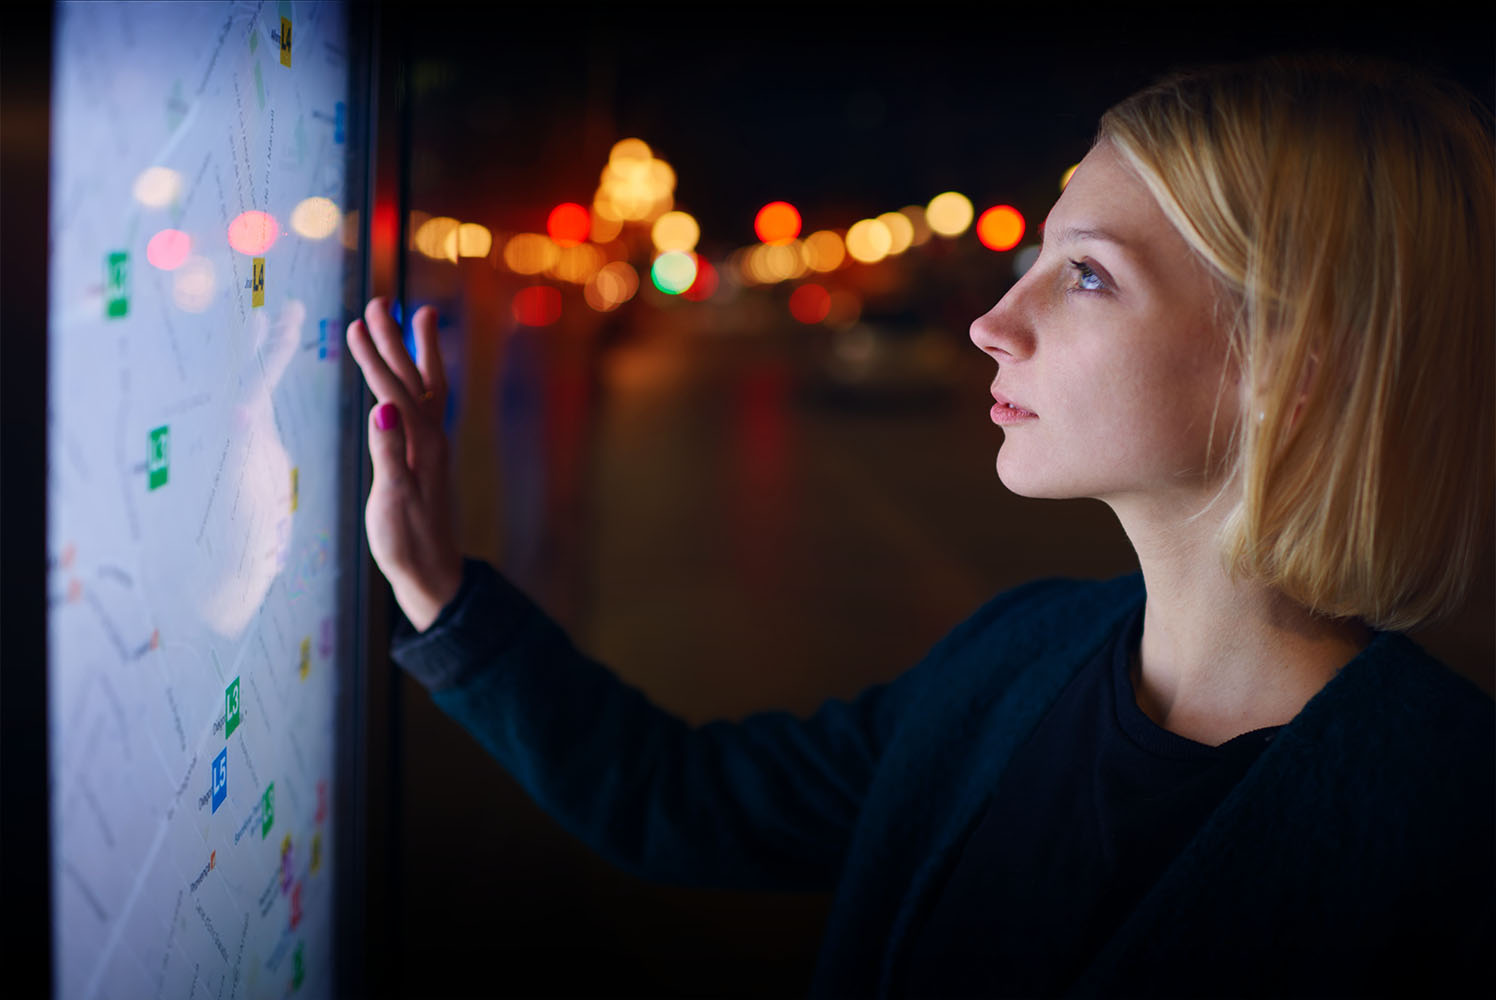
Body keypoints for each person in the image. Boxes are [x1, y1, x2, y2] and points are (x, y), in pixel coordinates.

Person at [346, 53, 1493, 998]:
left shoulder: (1448, 827)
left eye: (1086, 276)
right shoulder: (1014, 655)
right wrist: (440, 587)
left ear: (1291, 366)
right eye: (1031, 258)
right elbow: (678, 799)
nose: (993, 322)